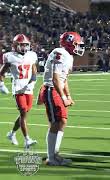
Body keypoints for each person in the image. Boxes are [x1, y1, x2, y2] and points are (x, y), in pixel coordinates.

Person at [37, 32, 85, 166]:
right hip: (52, 89)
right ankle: (51, 157)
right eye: (76, 44)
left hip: (57, 89)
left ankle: (55, 154)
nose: (79, 47)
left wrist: (68, 95)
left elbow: (64, 79)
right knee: (55, 122)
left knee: (62, 121)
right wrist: (63, 97)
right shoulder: (60, 52)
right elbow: (55, 77)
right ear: (68, 43)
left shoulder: (69, 56)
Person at [0, 34, 38, 148]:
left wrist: (32, 82)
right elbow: (1, 73)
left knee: (24, 114)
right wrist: (1, 84)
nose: (25, 48)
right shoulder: (10, 57)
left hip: (29, 89)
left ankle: (11, 133)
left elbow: (34, 71)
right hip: (18, 89)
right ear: (15, 45)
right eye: (22, 45)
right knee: (23, 112)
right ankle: (27, 139)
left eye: (26, 45)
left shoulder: (32, 55)